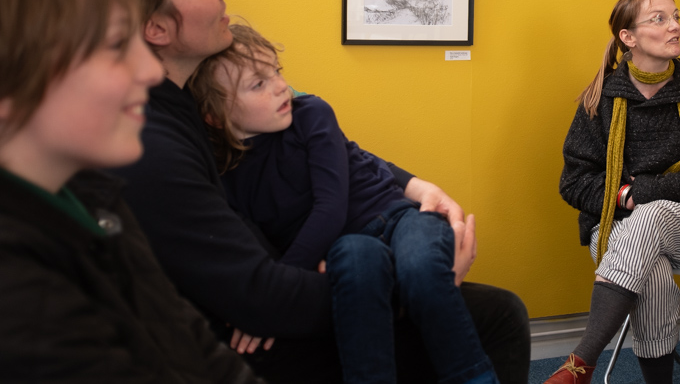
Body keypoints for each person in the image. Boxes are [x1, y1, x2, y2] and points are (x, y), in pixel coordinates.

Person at [94, 0, 530, 384]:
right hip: (237, 334)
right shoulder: (150, 143)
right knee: (498, 316)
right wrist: (419, 285)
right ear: (157, 27)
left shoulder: (184, 103)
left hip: (292, 277)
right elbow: (258, 296)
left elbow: (332, 146)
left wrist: (415, 185)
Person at [0, 0, 263, 382]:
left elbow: (190, 343)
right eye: (115, 46)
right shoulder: (18, 290)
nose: (146, 69)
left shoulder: (94, 197)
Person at [187, 23, 499, 384]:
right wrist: (266, 305)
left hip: (398, 219)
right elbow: (255, 240)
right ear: (214, 115)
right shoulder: (222, 173)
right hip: (346, 245)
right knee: (357, 261)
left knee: (421, 269)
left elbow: (330, 206)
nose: (279, 86)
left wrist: (279, 292)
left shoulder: (310, 113)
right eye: (258, 83)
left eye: (276, 71)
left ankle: (474, 377)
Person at [550, 0, 680, 384]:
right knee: (652, 272)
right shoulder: (601, 97)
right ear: (629, 37)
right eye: (659, 19)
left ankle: (580, 362)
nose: (674, 26)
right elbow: (573, 181)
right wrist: (627, 196)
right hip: (618, 231)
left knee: (652, 213)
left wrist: (647, 192)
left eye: (676, 16)